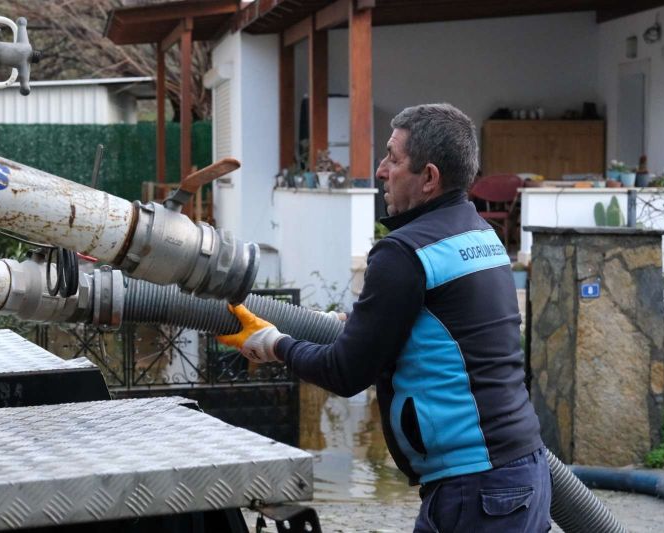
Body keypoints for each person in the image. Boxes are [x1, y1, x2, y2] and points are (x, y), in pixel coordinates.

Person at [218, 103, 551, 532]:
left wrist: (273, 344)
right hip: (523, 469)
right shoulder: (478, 233)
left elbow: (345, 373)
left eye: (393, 159)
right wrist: (353, 323)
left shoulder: (404, 252)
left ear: (429, 178)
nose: (379, 171)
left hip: (475, 487)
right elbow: (445, 327)